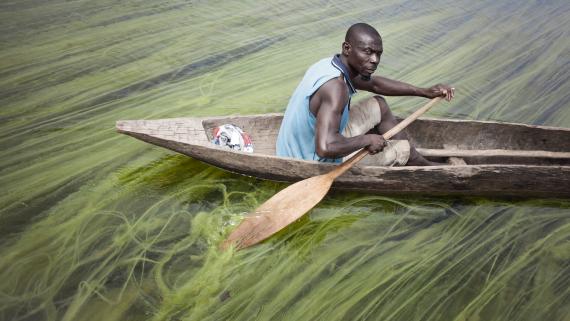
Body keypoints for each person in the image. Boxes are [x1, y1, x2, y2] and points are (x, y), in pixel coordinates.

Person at [276, 23, 455, 166]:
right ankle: (418, 162)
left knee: (379, 105)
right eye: (368, 52)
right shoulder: (335, 87)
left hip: (304, 141)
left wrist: (424, 92)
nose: (375, 60)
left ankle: (417, 160)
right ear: (347, 48)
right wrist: (367, 139)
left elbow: (375, 84)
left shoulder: (332, 64)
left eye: (378, 54)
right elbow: (325, 147)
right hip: (310, 157)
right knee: (401, 149)